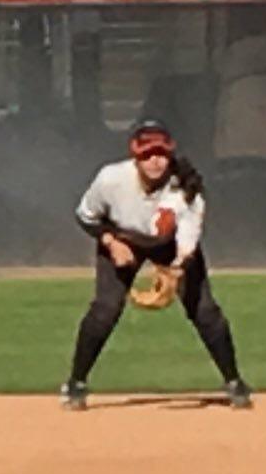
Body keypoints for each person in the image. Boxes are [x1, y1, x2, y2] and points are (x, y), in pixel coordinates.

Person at [61, 119, 252, 413]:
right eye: (147, 154)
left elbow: (187, 237)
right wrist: (112, 243)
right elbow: (86, 217)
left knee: (204, 310)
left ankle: (234, 381)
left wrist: (174, 270)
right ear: (135, 154)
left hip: (170, 246)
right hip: (121, 239)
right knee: (105, 309)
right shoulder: (111, 179)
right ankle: (76, 383)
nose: (155, 161)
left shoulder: (185, 187)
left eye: (161, 154)